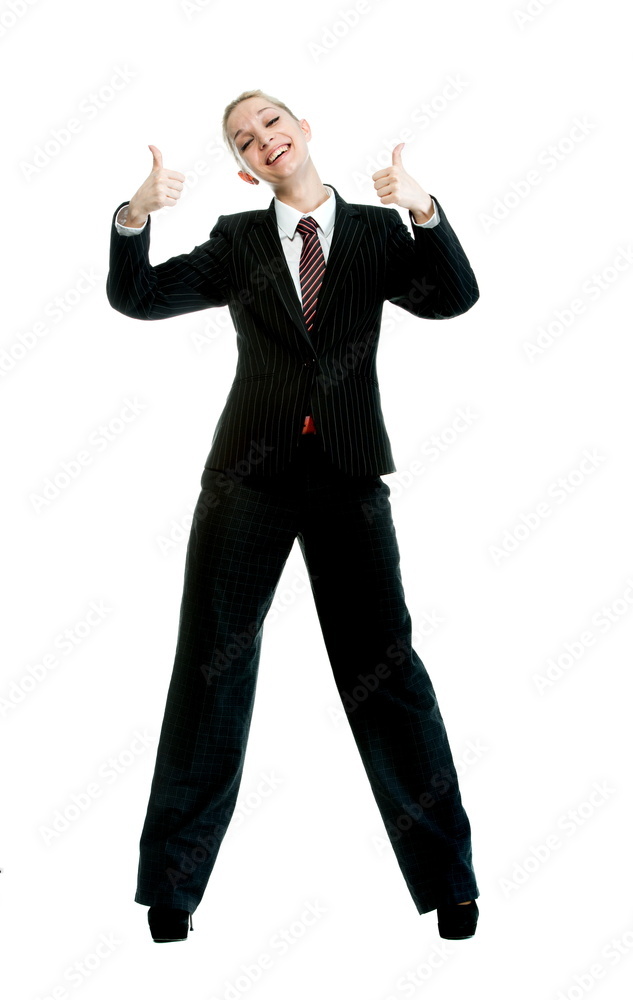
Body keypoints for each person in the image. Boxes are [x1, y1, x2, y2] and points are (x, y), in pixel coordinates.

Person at [106, 89, 481, 944]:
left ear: (303, 130)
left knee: (386, 674)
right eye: (244, 139)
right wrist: (134, 216)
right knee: (211, 670)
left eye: (271, 123)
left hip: (348, 476)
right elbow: (140, 297)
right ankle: (173, 891)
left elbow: (453, 298)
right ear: (244, 169)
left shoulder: (377, 234)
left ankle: (447, 883)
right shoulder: (238, 241)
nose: (262, 139)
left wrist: (423, 210)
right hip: (248, 479)